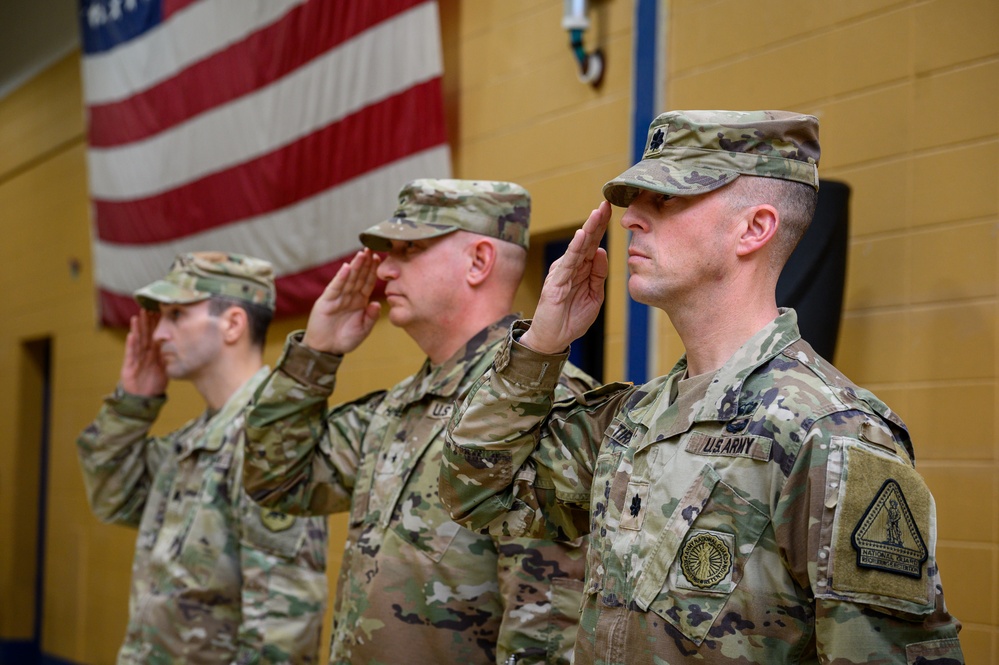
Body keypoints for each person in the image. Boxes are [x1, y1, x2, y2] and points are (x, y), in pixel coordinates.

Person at [440, 111, 965, 664]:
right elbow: (474, 491)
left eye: (664, 200)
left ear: (753, 229)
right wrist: (541, 344)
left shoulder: (831, 435)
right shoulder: (632, 421)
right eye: (634, 201)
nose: (629, 221)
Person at [242, 179, 599, 665]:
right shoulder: (399, 405)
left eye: (409, 250)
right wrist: (315, 355)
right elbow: (277, 479)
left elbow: (546, 628)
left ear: (478, 262)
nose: (384, 268)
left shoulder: (540, 402)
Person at [77, 252, 328, 665]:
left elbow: (280, 634)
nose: (158, 334)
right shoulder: (194, 441)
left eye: (176, 315)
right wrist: (133, 403)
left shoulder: (267, 445)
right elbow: (112, 497)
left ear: (232, 324)